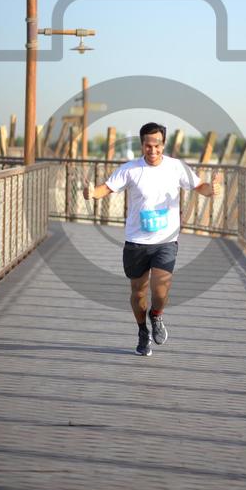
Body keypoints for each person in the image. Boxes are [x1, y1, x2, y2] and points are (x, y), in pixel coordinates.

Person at [83, 122, 221, 356]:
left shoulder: (176, 167)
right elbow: (105, 188)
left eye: (157, 145)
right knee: (138, 293)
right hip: (136, 241)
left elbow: (200, 186)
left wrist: (212, 189)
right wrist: (92, 193)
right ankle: (142, 331)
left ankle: (156, 315)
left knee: (160, 290)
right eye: (148, 145)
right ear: (142, 145)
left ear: (163, 144)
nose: (153, 150)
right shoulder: (130, 169)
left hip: (165, 241)